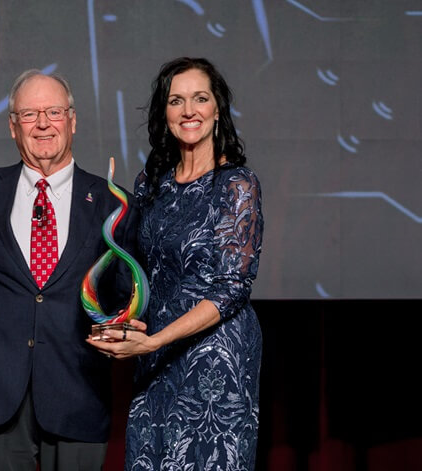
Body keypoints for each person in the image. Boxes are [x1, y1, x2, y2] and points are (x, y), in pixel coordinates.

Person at [87, 57, 264, 470]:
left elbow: (231, 288)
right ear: (163, 112)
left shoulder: (236, 184)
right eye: (176, 100)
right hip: (156, 358)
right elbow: (143, 271)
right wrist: (125, 325)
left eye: (200, 99)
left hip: (214, 357)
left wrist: (155, 340)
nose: (189, 111)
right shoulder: (154, 182)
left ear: (217, 109)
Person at [0, 69, 136, 471]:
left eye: (54, 111)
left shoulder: (115, 203)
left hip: (78, 393)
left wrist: (127, 323)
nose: (43, 123)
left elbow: (125, 295)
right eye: (29, 114)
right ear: (12, 126)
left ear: (72, 121)